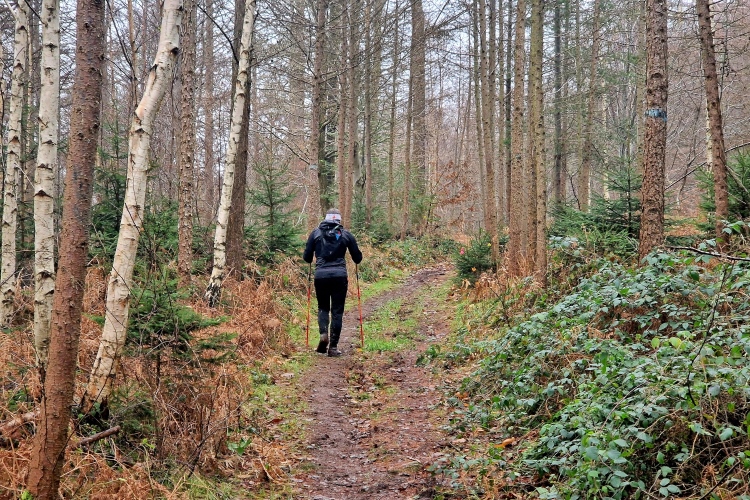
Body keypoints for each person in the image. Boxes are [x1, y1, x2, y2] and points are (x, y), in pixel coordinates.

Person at [303, 208, 363, 357]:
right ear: (339, 220)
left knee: (323, 307)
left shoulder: (315, 233)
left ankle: (323, 335)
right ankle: (333, 348)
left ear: (326, 219)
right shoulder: (345, 234)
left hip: (321, 276)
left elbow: (307, 258)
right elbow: (357, 258)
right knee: (337, 311)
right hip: (339, 276)